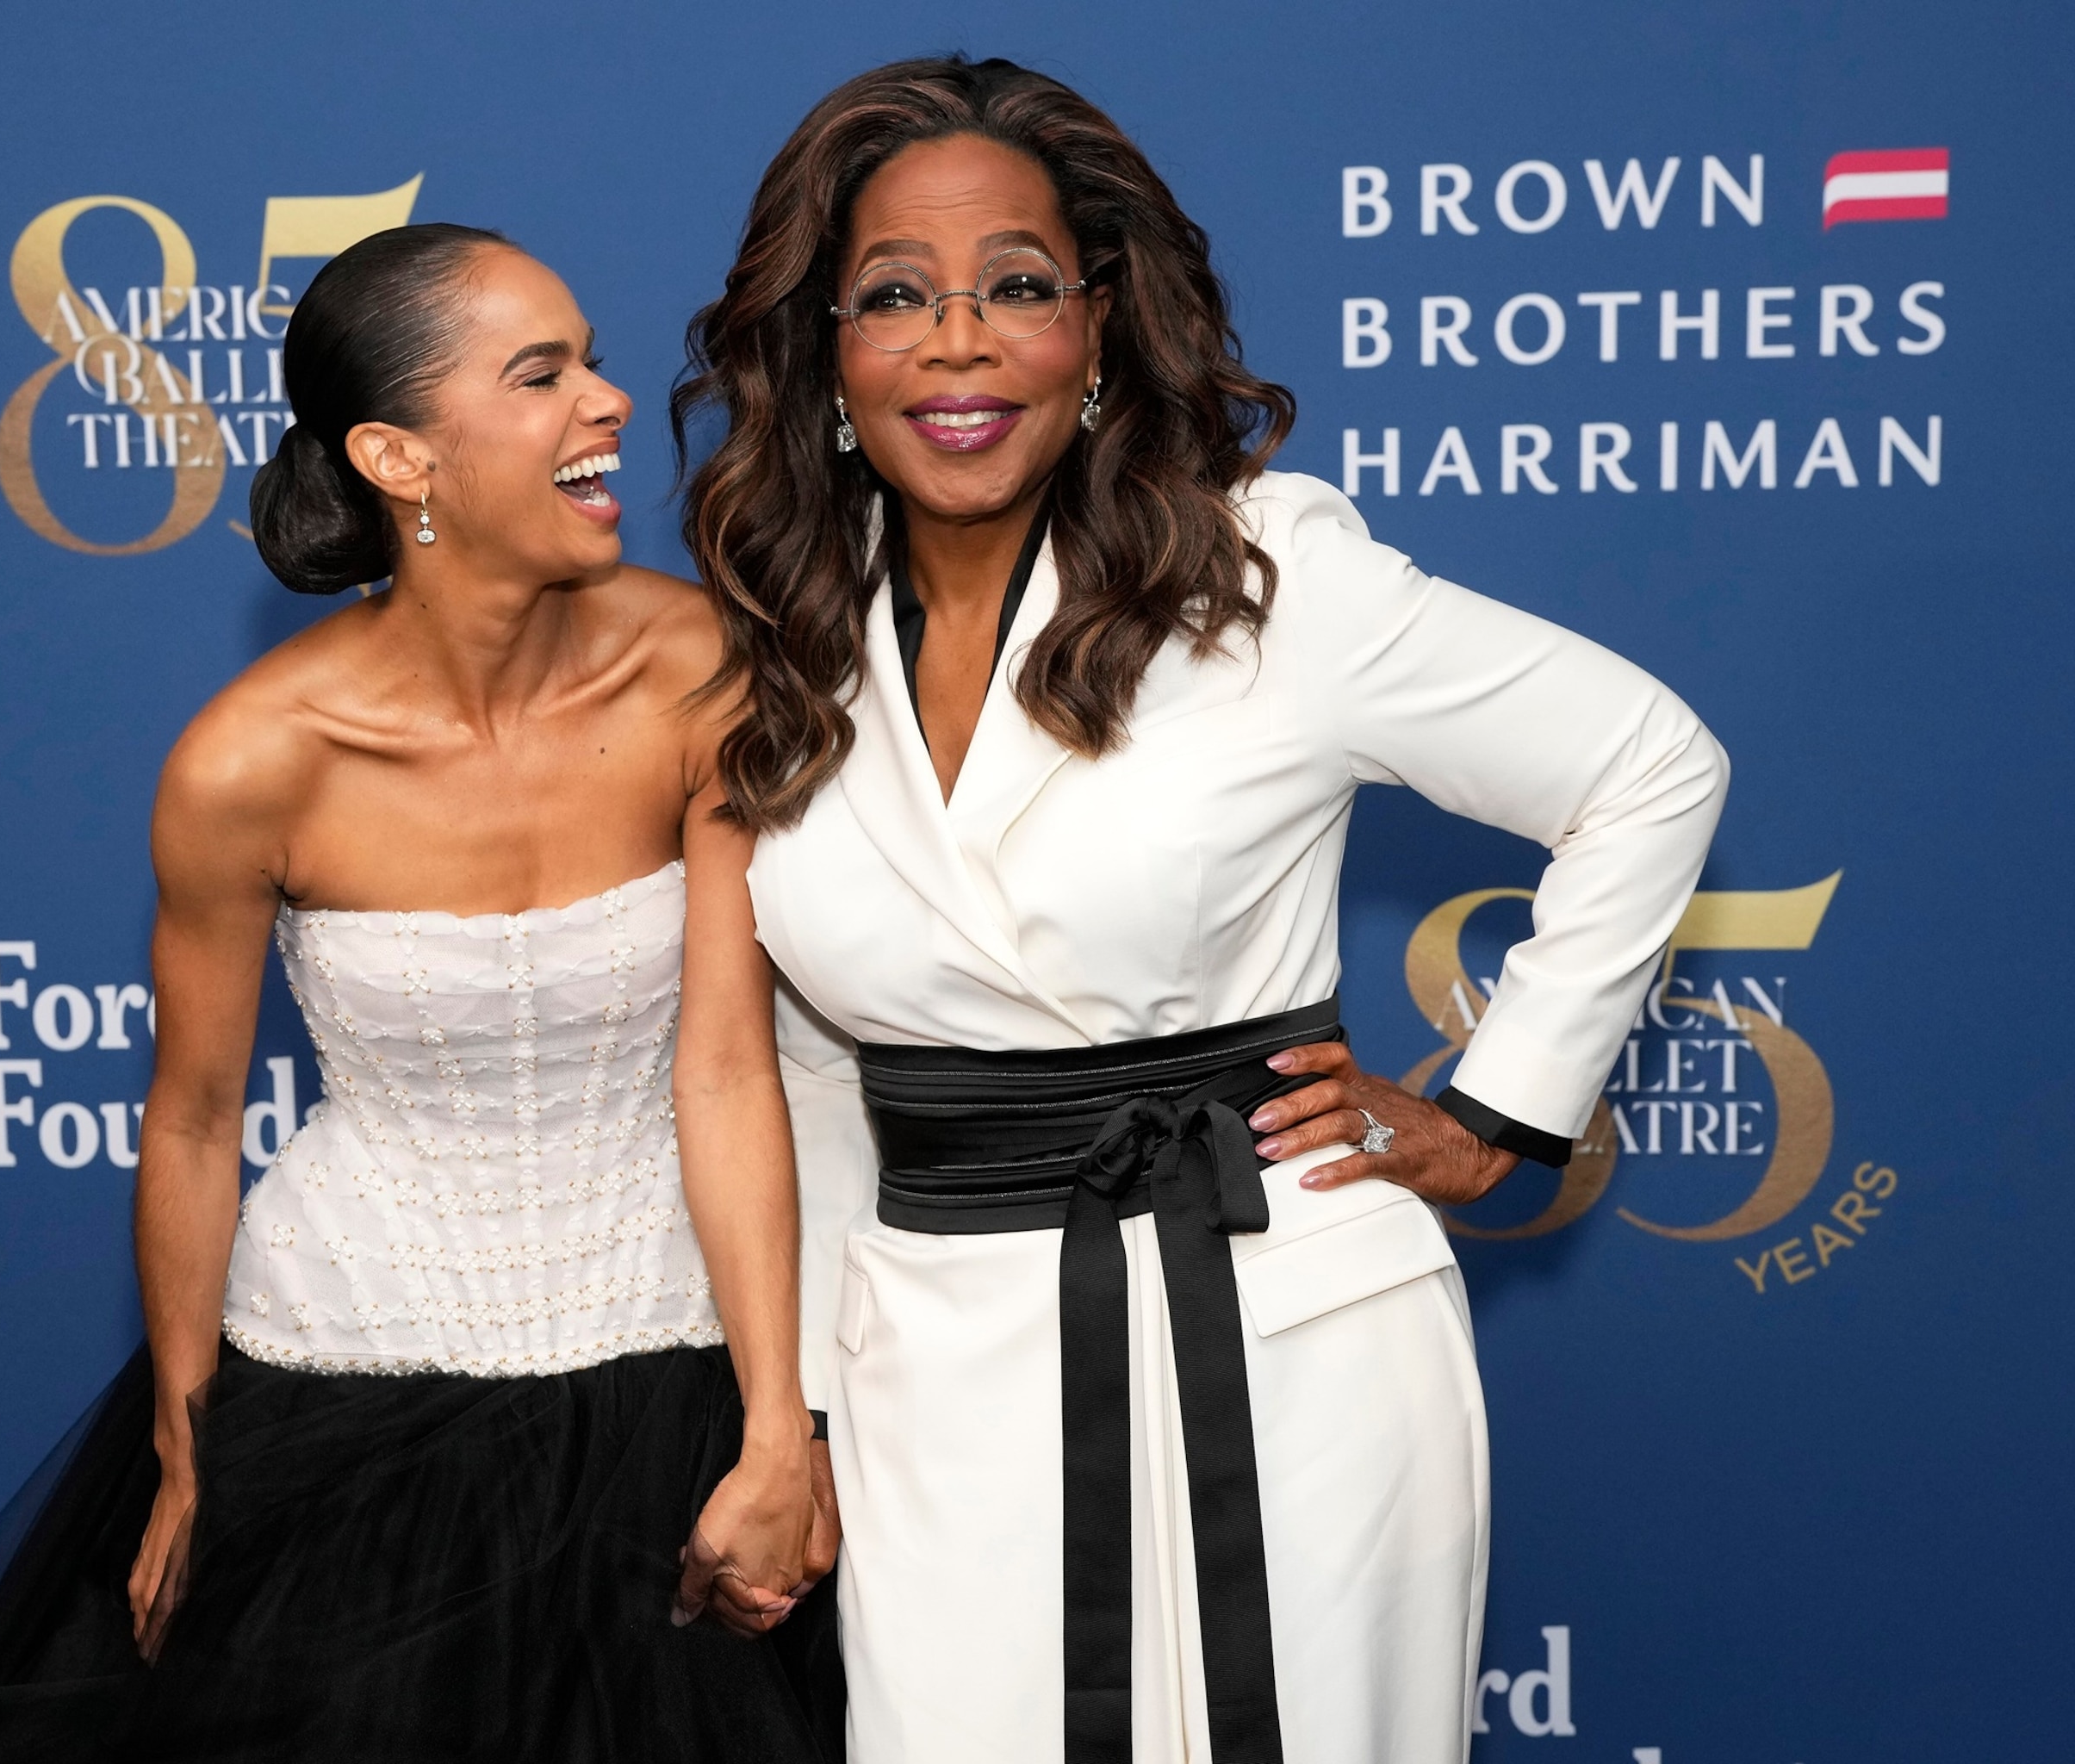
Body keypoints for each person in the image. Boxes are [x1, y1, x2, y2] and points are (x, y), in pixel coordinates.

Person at [673, 55, 1727, 1764]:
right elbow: (803, 1076)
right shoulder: (783, 646)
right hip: (932, 1378)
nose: (958, 341)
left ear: (1099, 328)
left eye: (1020, 285)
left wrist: (1496, 1117)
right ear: (825, 349)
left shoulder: (1262, 579)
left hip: (1289, 1338)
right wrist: (789, 1416)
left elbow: (1648, 763)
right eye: (896, 295)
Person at [0, 223, 840, 1764]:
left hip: (677, 1364)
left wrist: (777, 1426)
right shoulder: (251, 761)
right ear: (396, 457)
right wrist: (184, 1445)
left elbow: (728, 1071)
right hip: (345, 1396)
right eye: (541, 374)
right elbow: (193, 1120)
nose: (610, 400)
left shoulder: (698, 664)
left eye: (591, 359)